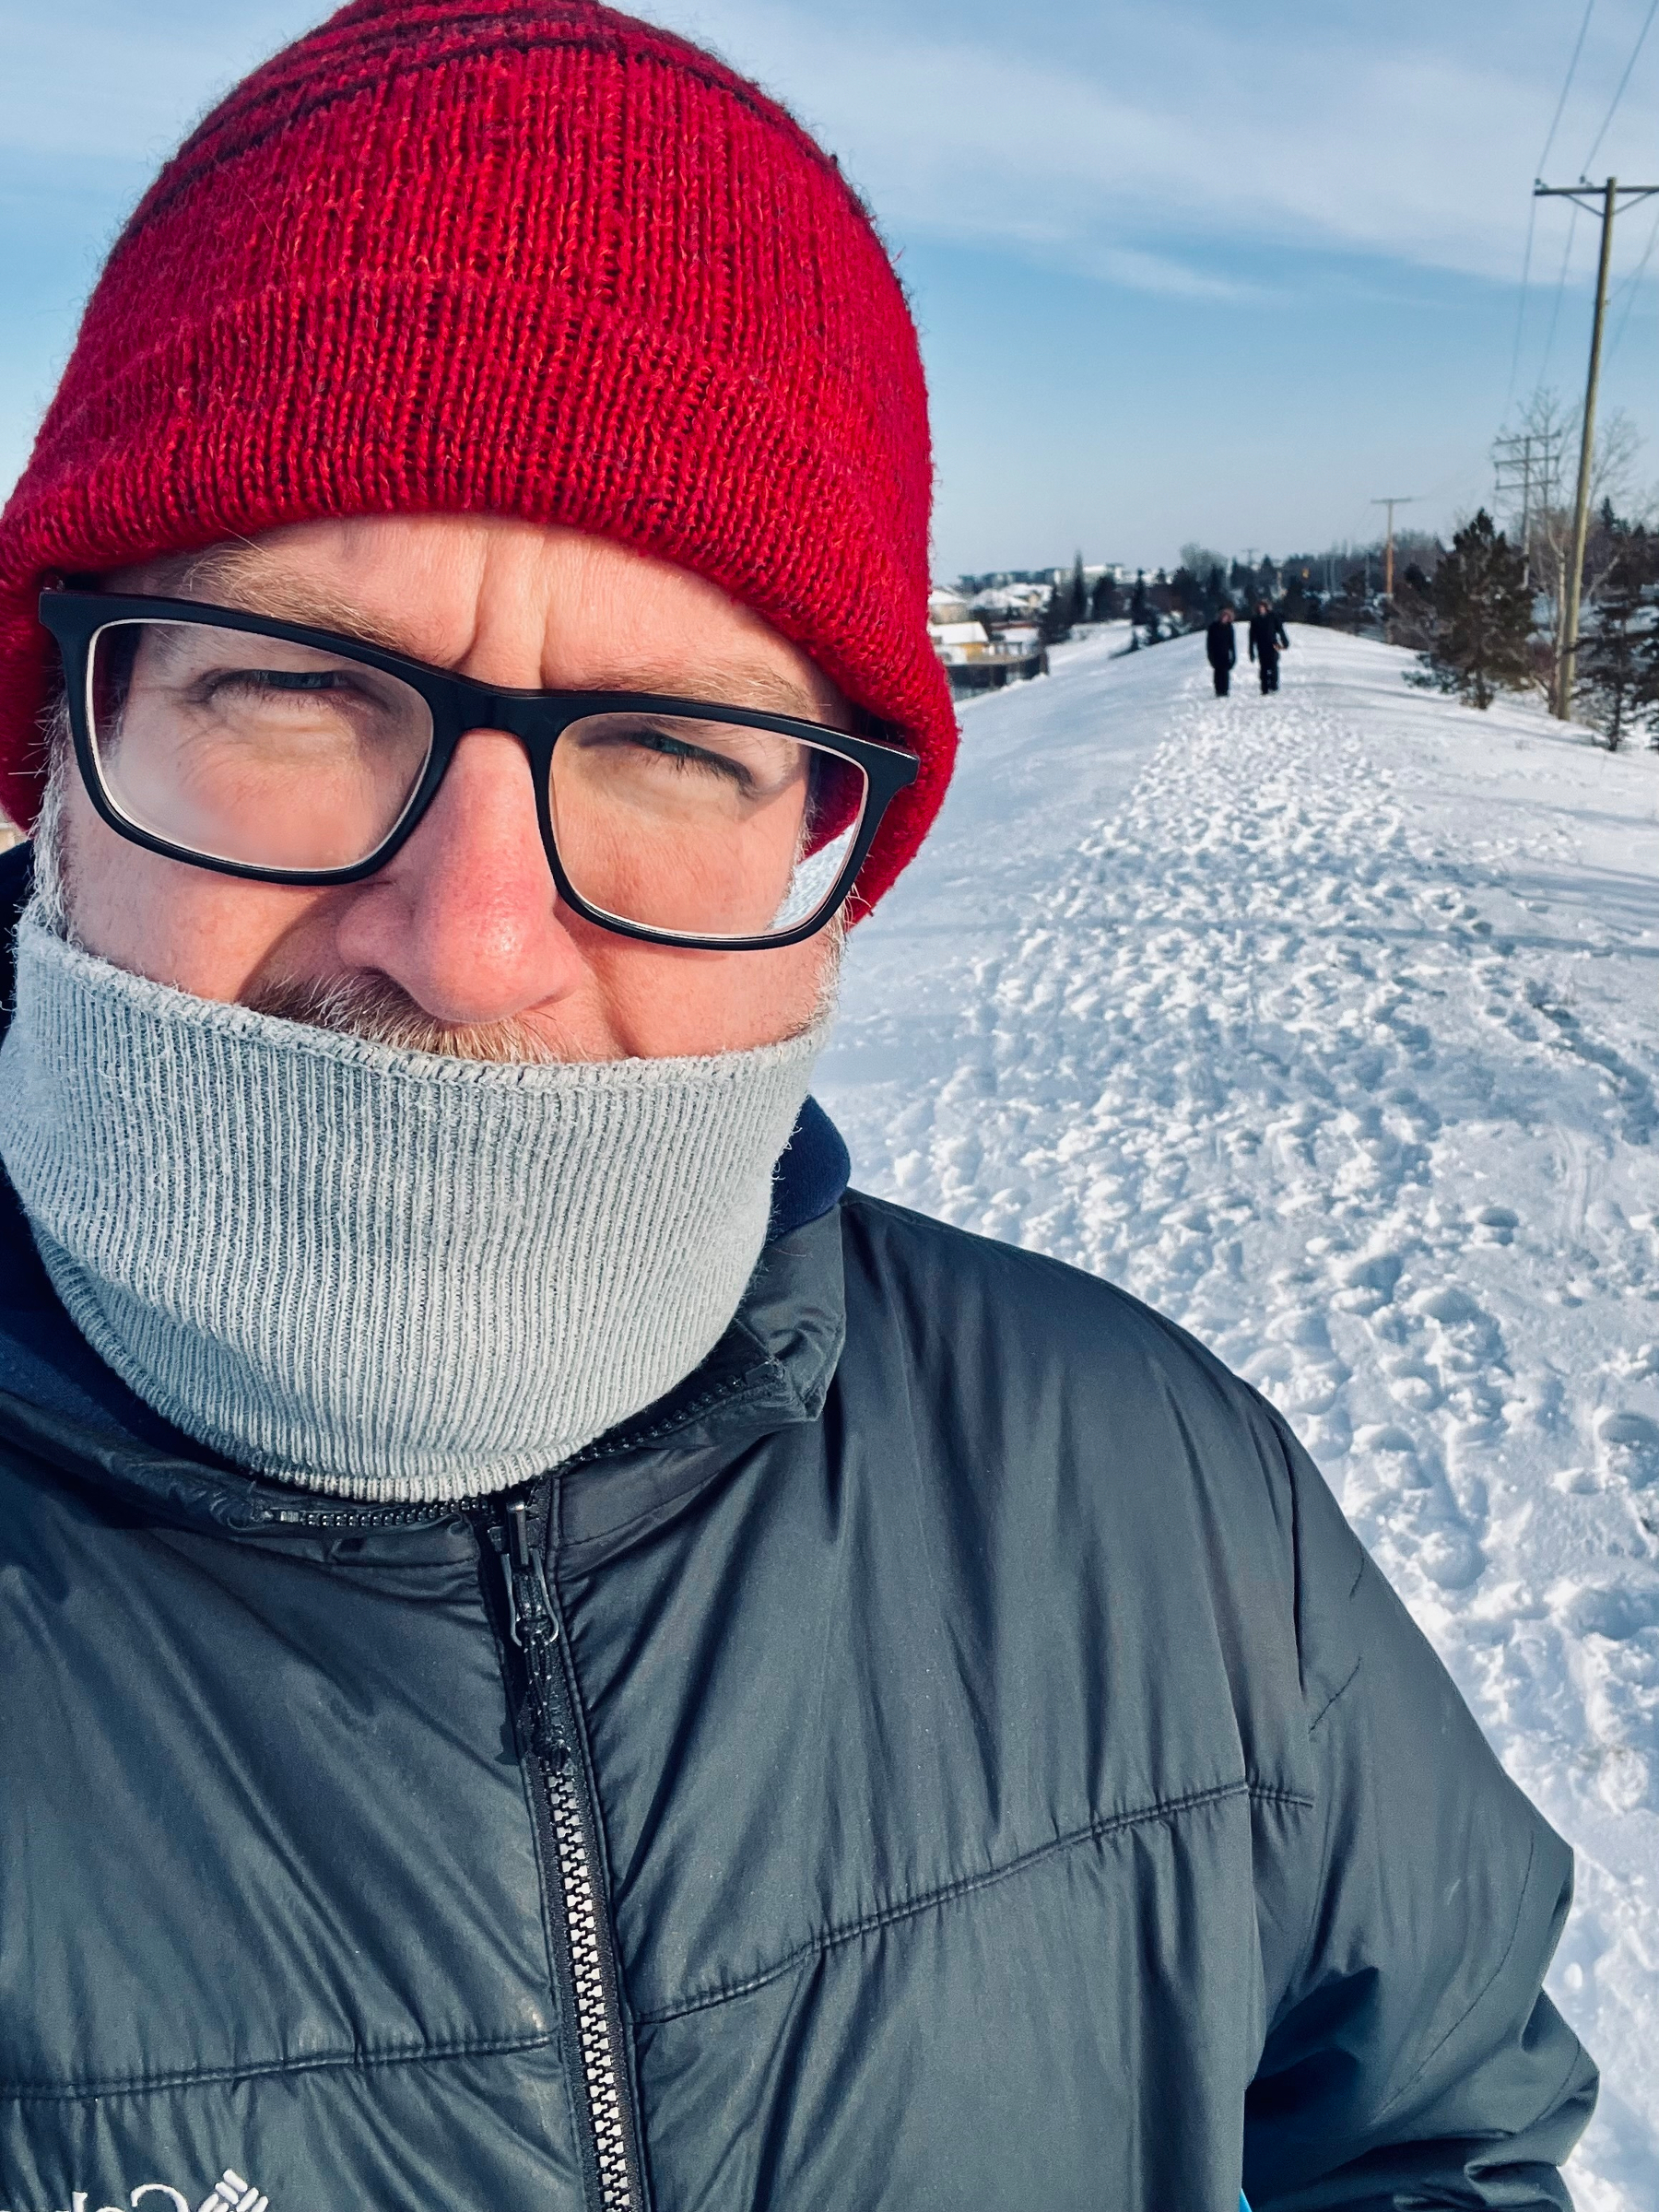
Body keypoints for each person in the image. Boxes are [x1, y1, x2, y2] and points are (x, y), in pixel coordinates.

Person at [0, 6, 1595, 2209]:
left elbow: (1427, 2123)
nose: (466, 939)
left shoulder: (1149, 1493)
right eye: (292, 689)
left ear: (827, 863)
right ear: (56, 743)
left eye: (672, 745)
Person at [1249, 598, 1291, 692]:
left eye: (1263, 607)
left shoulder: (1273, 617)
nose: (1261, 609)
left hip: (1273, 645)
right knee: (1263, 667)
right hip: (1261, 646)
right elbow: (1252, 637)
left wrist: (1285, 642)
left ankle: (1274, 685)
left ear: (1266, 608)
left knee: (1273, 666)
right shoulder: (1255, 620)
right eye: (1260, 608)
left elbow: (1280, 630)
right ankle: (1264, 688)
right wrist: (1251, 652)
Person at [1206, 603, 1238, 695]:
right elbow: (1209, 643)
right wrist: (1210, 656)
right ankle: (1218, 690)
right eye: (1224, 616)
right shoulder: (1213, 627)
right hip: (1215, 654)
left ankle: (1225, 690)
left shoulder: (1229, 628)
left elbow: (1232, 643)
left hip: (1225, 654)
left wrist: (1233, 657)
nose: (1225, 618)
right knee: (1217, 674)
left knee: (1225, 674)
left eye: (1227, 616)